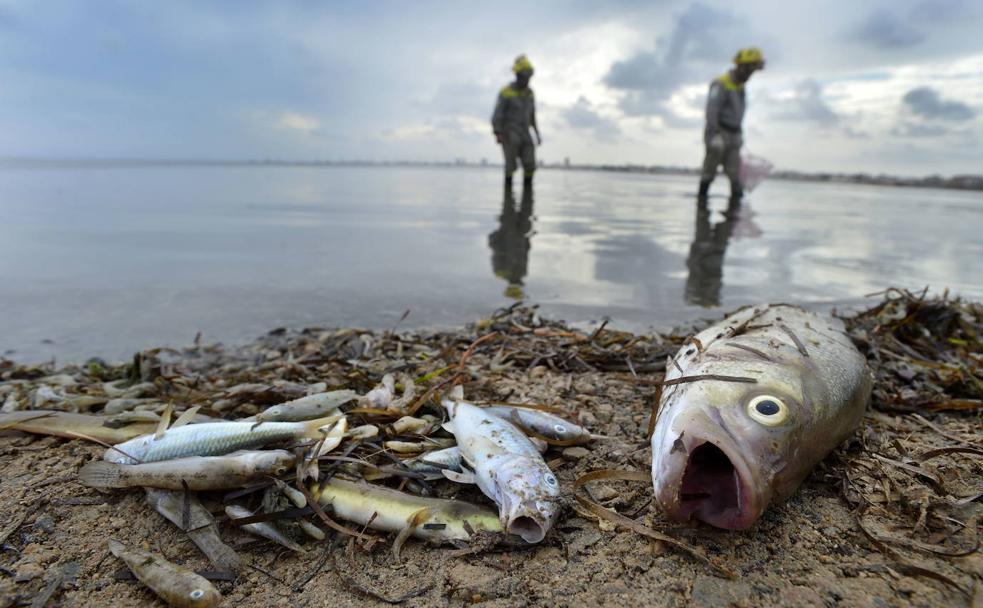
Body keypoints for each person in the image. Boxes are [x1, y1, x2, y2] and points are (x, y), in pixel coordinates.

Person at [697, 47, 765, 201]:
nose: (750, 75)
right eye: (750, 70)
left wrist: (739, 135)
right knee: (709, 171)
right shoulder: (721, 83)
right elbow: (711, 110)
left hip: (734, 135)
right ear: (741, 66)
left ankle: (734, 214)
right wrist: (714, 134)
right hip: (718, 133)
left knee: (736, 175)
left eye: (753, 71)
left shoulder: (741, 86)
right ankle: (701, 207)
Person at [491, 55, 542, 190]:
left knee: (530, 164)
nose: (526, 79)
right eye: (524, 75)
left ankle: (528, 193)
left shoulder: (530, 93)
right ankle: (508, 203)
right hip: (509, 133)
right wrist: (498, 132)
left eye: (529, 76)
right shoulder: (506, 92)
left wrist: (537, 133)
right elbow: (498, 114)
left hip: (525, 132)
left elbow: (532, 115)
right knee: (510, 165)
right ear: (518, 75)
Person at [488, 181, 535, 300]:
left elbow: (494, 246)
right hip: (516, 234)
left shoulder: (503, 272)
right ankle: (516, 188)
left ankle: (512, 188)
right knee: (523, 206)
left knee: (514, 206)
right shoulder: (520, 272)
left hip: (513, 233)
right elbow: (526, 252)